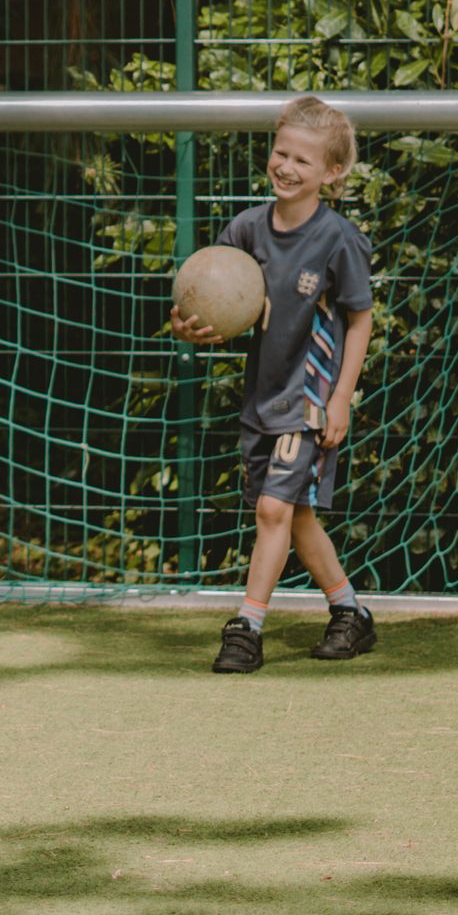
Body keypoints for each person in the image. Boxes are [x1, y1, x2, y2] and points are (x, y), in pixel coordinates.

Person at [170, 95, 377, 674]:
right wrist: (189, 326)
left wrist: (340, 398)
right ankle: (350, 612)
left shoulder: (339, 240)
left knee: (271, 511)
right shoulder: (245, 230)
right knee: (297, 516)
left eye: (303, 161)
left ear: (332, 174)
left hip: (308, 401)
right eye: (280, 152)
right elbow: (214, 300)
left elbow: (360, 320)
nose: (286, 166)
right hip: (261, 398)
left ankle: (247, 626)